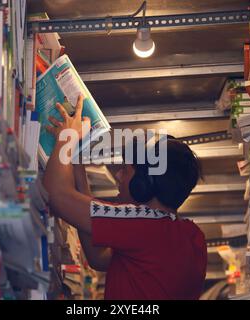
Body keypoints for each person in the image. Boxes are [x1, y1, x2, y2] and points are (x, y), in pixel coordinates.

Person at [43, 94, 207, 300]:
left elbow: (55, 193)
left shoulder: (144, 224)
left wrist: (67, 136)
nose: (118, 175)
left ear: (144, 183)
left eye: (126, 170)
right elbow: (99, 258)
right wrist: (76, 161)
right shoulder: (190, 237)